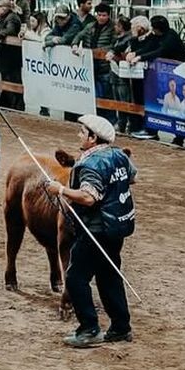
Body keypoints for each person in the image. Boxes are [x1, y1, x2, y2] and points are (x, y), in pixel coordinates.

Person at [46, 114, 137, 347]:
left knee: (76, 278)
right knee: (109, 276)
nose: (79, 135)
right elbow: (132, 177)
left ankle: (89, 328)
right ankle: (120, 326)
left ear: (93, 137)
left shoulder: (90, 163)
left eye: (82, 131)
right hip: (117, 226)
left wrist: (61, 190)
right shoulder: (118, 155)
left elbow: (88, 197)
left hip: (96, 230)